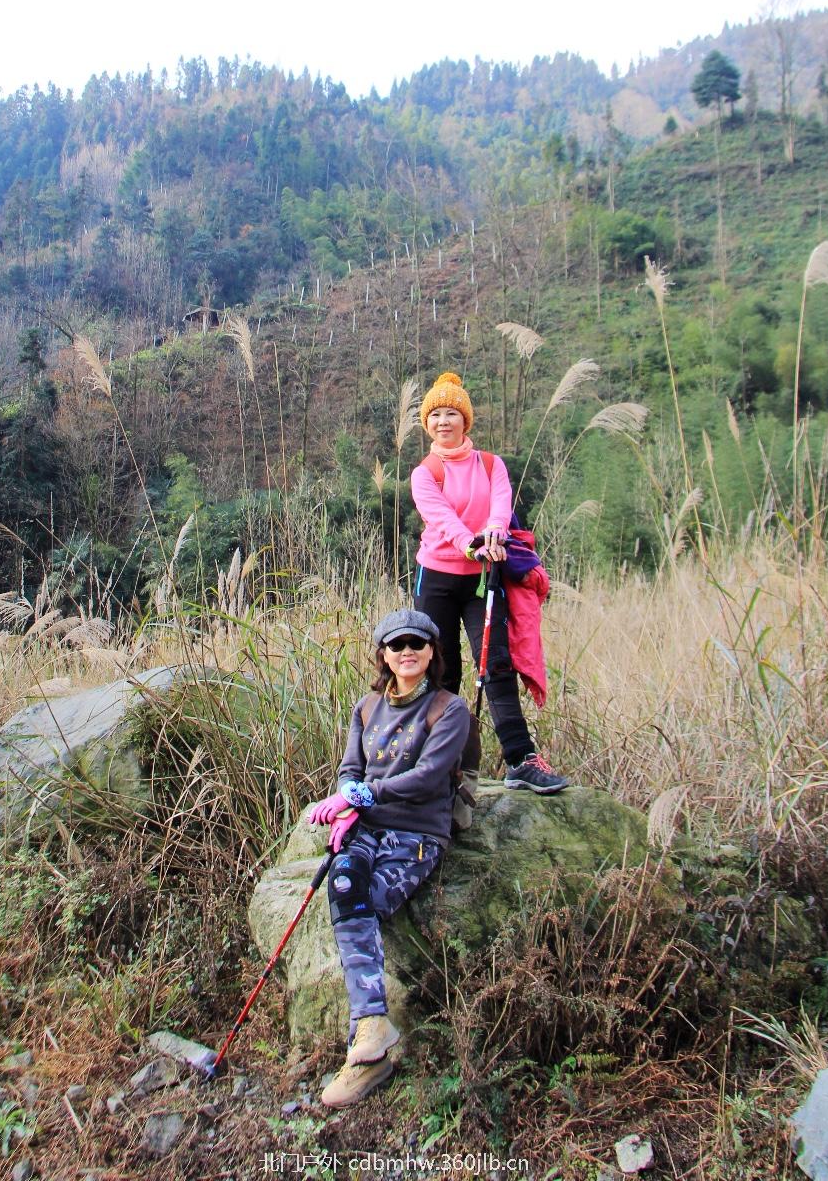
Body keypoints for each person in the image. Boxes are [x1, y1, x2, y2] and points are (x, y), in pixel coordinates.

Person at [308, 607, 470, 1109]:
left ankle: (367, 1049)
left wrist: (361, 796)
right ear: (383, 654)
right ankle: (373, 1029)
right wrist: (346, 803)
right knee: (344, 886)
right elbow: (350, 767)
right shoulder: (365, 707)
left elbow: (429, 776)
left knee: (366, 905)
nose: (406, 652)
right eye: (396, 644)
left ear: (432, 651)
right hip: (367, 827)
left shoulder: (449, 709)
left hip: (416, 831)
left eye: (416, 643)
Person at [410, 370, 569, 795]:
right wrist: (471, 544)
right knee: (441, 669)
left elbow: (501, 506)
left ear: (465, 419)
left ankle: (520, 759)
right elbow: (441, 519)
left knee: (496, 664)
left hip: (484, 577)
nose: (443, 421)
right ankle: (440, 762)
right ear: (427, 423)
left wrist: (494, 534)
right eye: (435, 415)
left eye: (451, 413)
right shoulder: (425, 473)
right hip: (437, 577)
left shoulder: (491, 464)